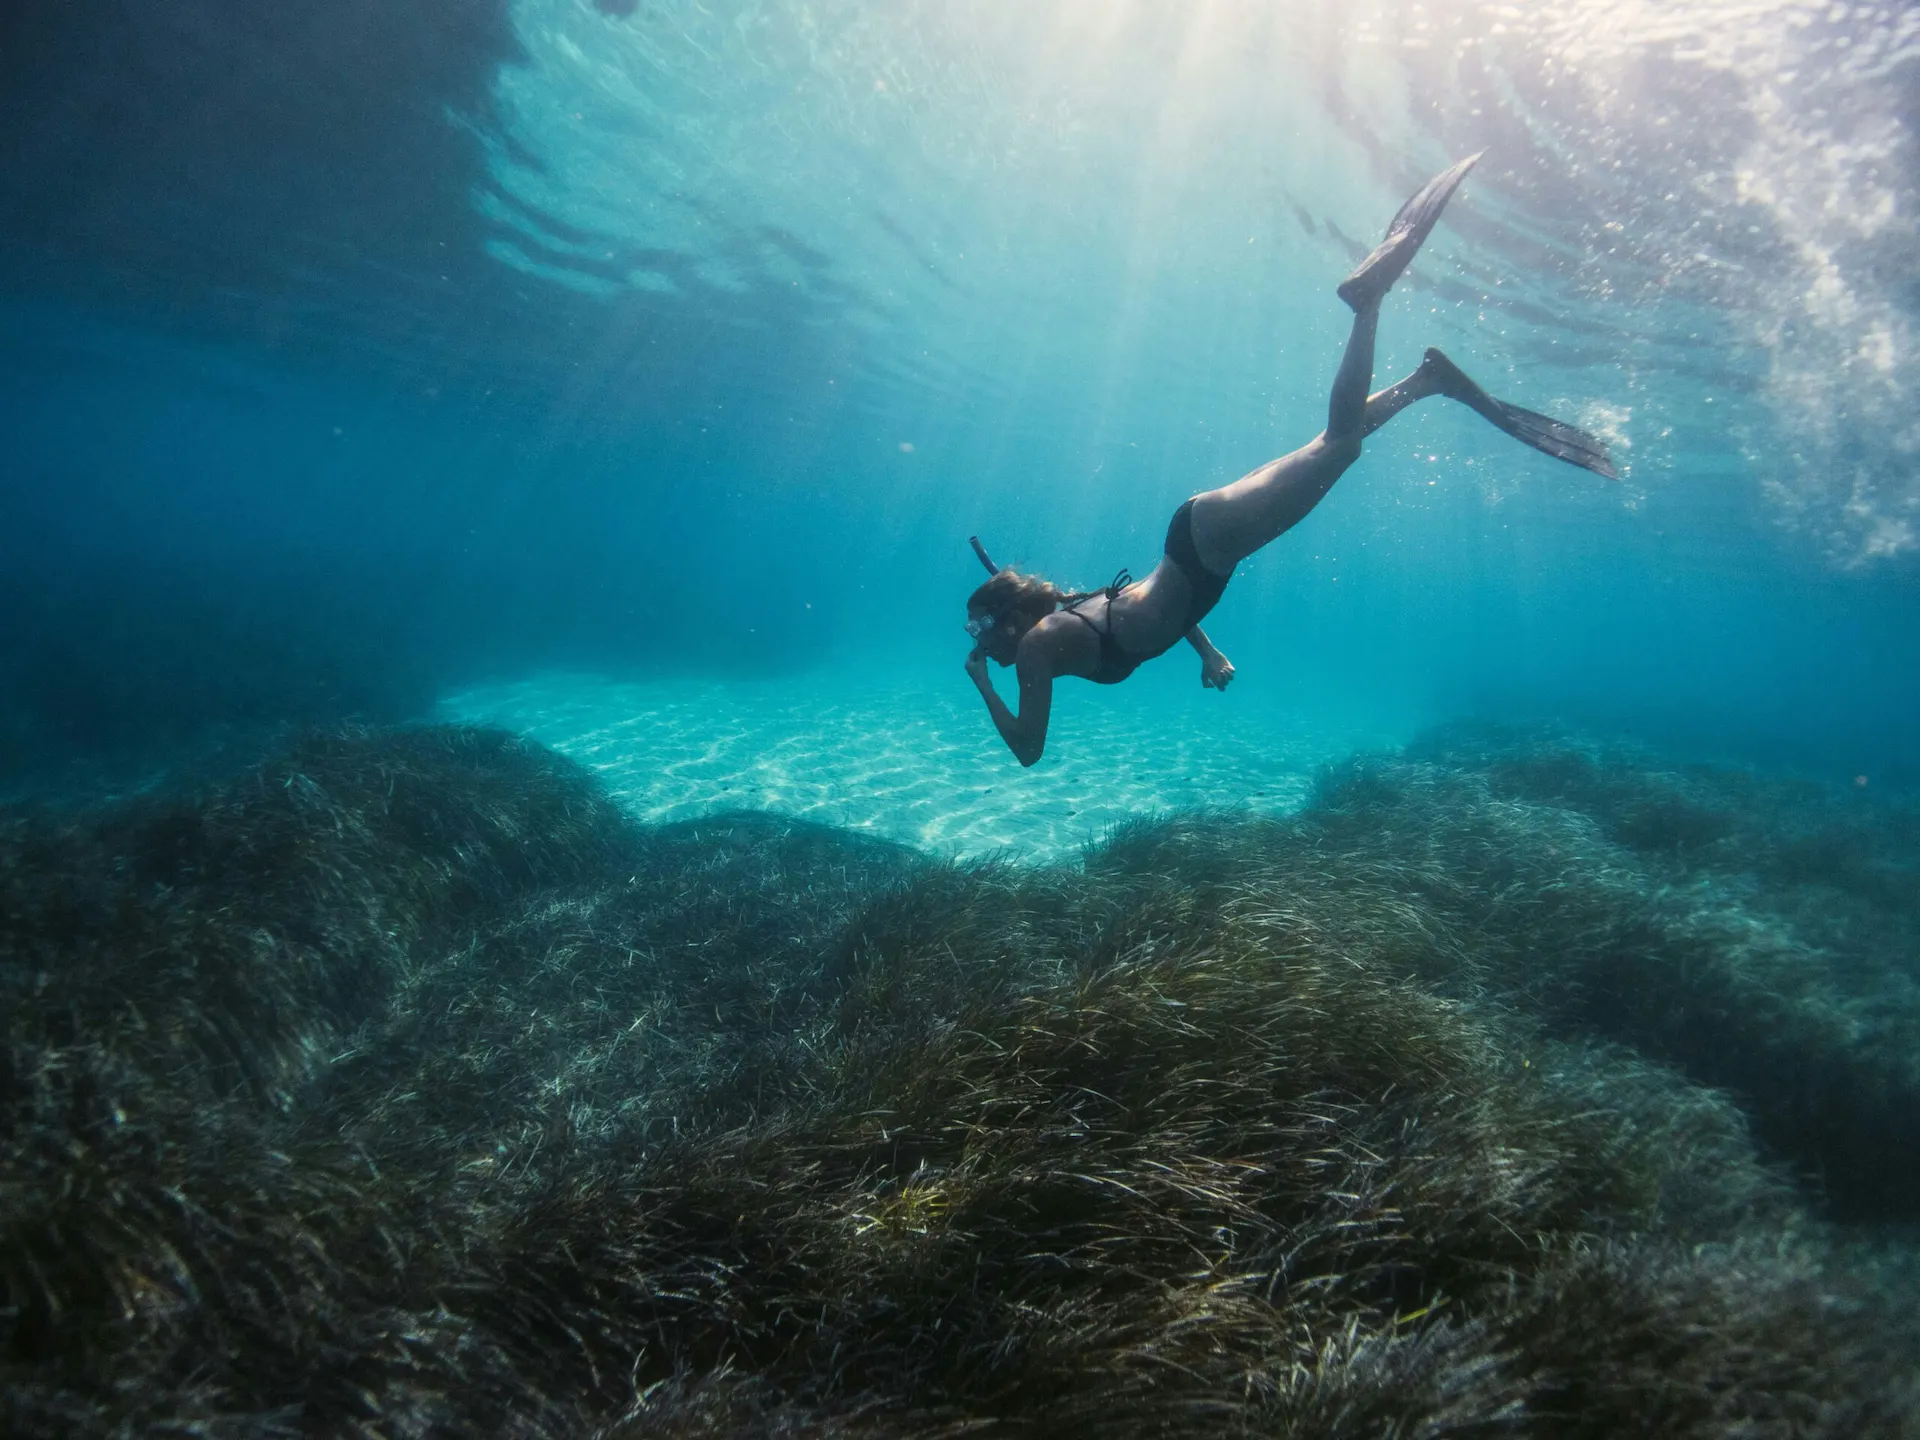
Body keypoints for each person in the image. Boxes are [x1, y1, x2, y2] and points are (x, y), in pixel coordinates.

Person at [964, 153, 1617, 767]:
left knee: (1339, 446)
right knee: (1329, 446)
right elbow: (1145, 614)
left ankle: (1368, 304)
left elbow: (1028, 749)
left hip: (1206, 548)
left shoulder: (1037, 647)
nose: (977, 643)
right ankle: (1426, 381)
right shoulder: (1058, 616)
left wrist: (982, 685)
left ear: (1008, 620)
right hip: (1199, 538)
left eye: (979, 628)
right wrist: (1210, 651)